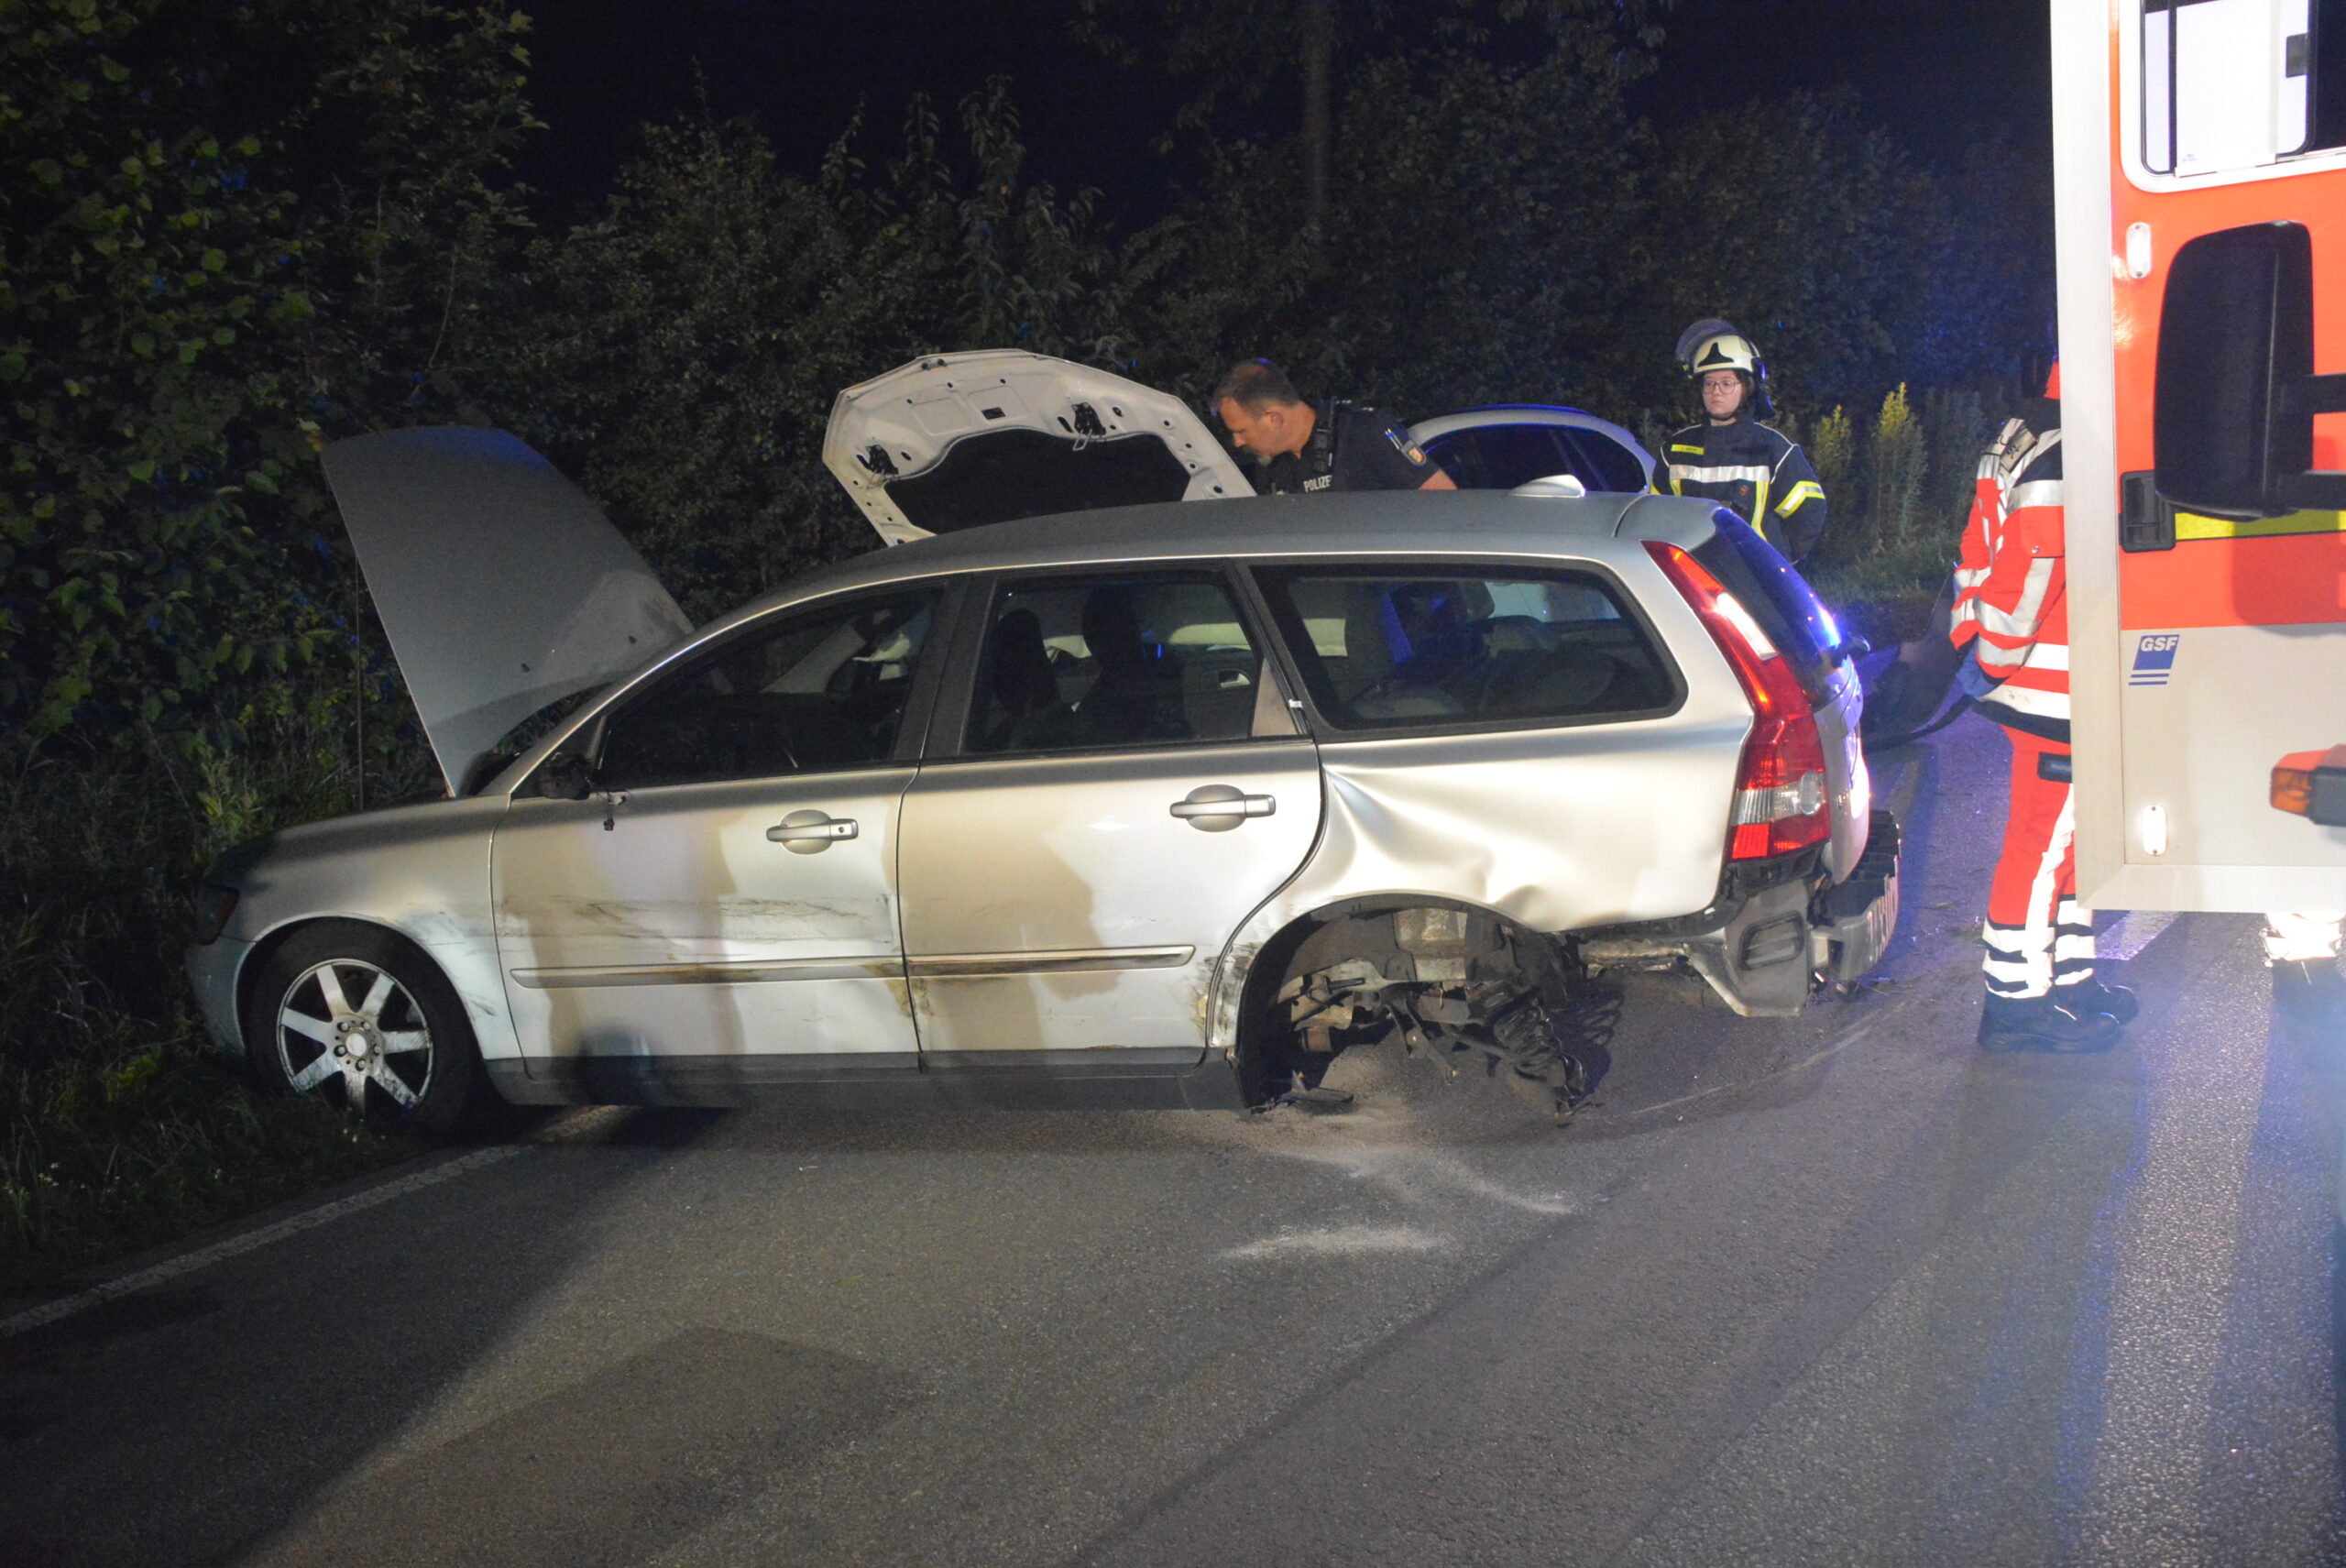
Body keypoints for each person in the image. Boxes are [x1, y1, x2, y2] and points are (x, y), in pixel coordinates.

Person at [1951, 360, 2136, 1051]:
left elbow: (1979, 549)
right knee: (2040, 843)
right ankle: (2016, 1002)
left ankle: (2067, 977)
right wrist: (1994, 655)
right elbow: (2032, 565)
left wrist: (1981, 649)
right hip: (2054, 684)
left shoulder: (2028, 430)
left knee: (2069, 843)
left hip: (2049, 679)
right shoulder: (2068, 441)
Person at [1662, 321, 1829, 562]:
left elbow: (1809, 514)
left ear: (1747, 387)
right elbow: (1658, 518)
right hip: (1692, 581)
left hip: (1754, 584)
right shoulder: (1674, 451)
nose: (1716, 391)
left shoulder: (1774, 450)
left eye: (1727, 383)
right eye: (1709, 383)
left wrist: (1776, 564)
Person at [1213, 359, 1456, 495]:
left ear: (1273, 418)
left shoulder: (1363, 432)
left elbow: (1445, 501)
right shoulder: (1273, 466)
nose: (1238, 442)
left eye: (1240, 431)